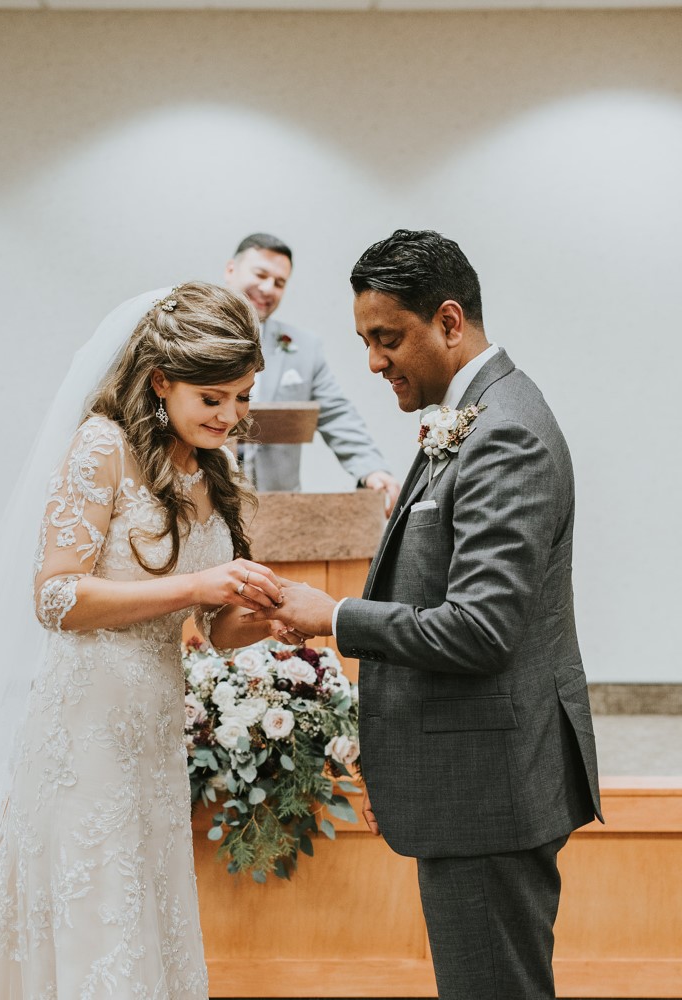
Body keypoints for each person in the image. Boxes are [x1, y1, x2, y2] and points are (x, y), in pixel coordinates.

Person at [0, 282, 310, 999]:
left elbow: (213, 626)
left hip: (151, 731)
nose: (232, 416)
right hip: (82, 731)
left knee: (148, 912)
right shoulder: (101, 446)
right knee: (95, 914)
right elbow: (54, 595)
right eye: (214, 399)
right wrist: (193, 591)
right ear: (161, 379)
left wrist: (260, 618)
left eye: (241, 396)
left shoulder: (213, 469)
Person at [245, 230, 602, 999]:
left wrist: (333, 614)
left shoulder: (503, 430)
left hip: (491, 787)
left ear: (448, 321)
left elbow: (480, 628)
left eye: (387, 338)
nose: (373, 362)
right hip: (471, 773)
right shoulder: (468, 411)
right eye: (365, 340)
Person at [223, 233, 400, 512]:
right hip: (206, 501)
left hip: (279, 510)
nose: (268, 288)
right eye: (260, 274)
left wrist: (371, 470)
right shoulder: (192, 336)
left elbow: (336, 414)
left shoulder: (304, 348)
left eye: (279, 283)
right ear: (231, 269)